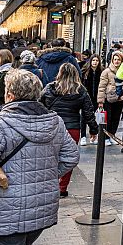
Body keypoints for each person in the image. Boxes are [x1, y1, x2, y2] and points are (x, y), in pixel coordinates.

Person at [0, 69, 79, 245]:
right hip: (39, 210)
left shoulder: (0, 124)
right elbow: (71, 156)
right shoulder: (54, 121)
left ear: (9, 95)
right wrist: (43, 178)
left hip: (6, 211)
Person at [40, 63, 98, 197]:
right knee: (68, 159)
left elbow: (39, 105)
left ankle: (49, 184)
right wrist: (93, 130)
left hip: (52, 126)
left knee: (50, 158)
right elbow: (88, 112)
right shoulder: (80, 90)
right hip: (72, 128)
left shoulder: (50, 88)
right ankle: (62, 187)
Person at [97, 51, 123, 147]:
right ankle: (106, 137)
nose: (116, 61)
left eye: (118, 59)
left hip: (120, 98)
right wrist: (100, 101)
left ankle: (112, 136)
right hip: (108, 98)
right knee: (108, 118)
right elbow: (101, 87)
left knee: (116, 119)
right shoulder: (106, 71)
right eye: (115, 59)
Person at [80, 55, 104, 146]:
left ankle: (93, 135)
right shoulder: (85, 71)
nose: (95, 62)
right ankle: (83, 136)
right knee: (84, 117)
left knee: (95, 118)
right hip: (86, 98)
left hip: (96, 98)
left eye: (97, 60)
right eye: (93, 60)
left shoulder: (101, 72)